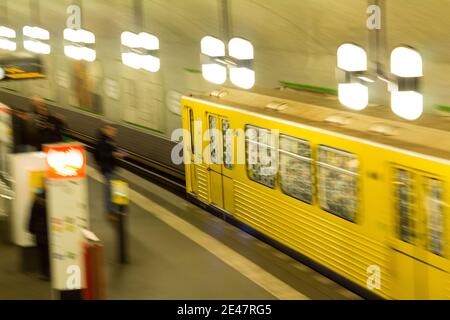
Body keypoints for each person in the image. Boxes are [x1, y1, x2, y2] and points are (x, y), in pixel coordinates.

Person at [94, 123, 126, 220]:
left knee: (113, 190)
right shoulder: (102, 141)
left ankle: (115, 210)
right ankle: (111, 212)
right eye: (113, 130)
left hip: (112, 168)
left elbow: (113, 150)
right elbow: (101, 154)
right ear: (106, 129)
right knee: (109, 191)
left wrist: (119, 153)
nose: (114, 133)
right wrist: (114, 155)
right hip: (107, 168)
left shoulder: (110, 140)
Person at [28, 189, 50, 281]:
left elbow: (32, 216)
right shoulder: (52, 199)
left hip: (39, 230)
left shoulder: (36, 201)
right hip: (49, 231)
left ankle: (44, 273)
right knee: (48, 252)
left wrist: (30, 229)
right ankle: (49, 272)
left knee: (41, 252)